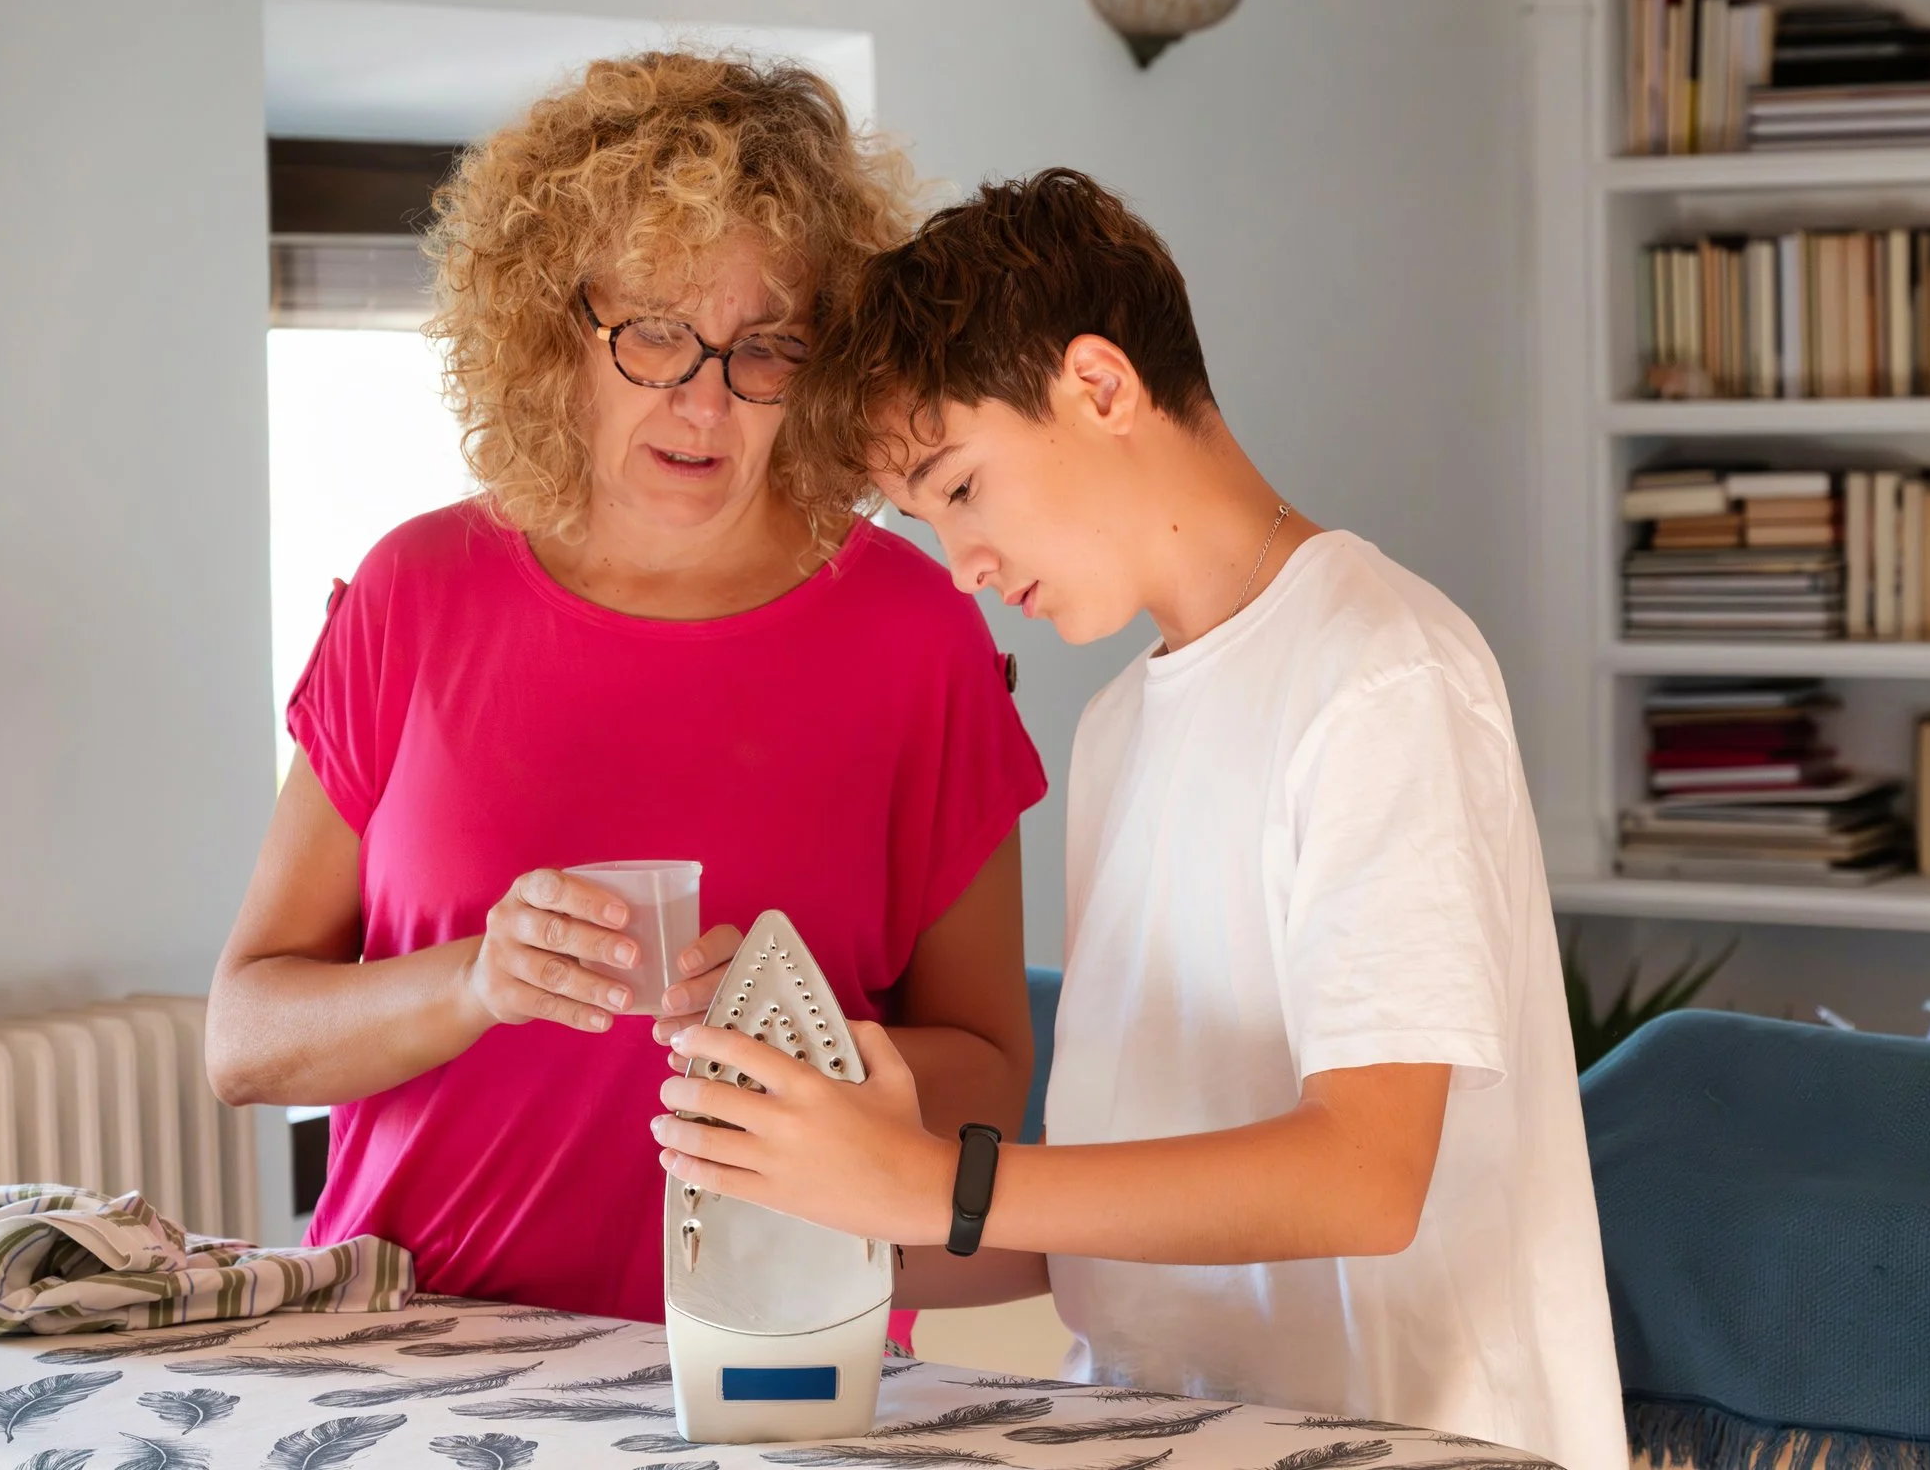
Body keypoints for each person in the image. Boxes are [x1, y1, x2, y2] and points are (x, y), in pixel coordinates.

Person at [652, 169, 1623, 1463]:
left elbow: (1365, 1174)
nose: (964, 564)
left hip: (1408, 1434)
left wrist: (932, 1180)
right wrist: (820, 1182)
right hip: (1155, 1423)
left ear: (1100, 385)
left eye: (961, 487)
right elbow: (1119, 1228)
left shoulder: (1383, 673)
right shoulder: (1119, 727)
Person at [205, 54, 1046, 1330]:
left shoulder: (919, 635)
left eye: (765, 347)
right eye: (654, 330)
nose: (703, 399)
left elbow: (987, 1082)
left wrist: (798, 1043)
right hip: (412, 1355)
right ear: (555, 328)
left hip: (777, 1366)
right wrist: (473, 980)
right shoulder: (414, 592)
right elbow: (245, 1040)